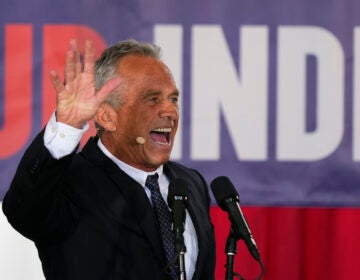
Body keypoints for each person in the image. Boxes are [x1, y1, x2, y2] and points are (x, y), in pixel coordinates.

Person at [2, 39, 215, 280]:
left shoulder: (191, 183)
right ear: (106, 116)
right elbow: (22, 211)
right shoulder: (68, 185)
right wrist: (67, 126)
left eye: (173, 99)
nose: (170, 111)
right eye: (152, 99)